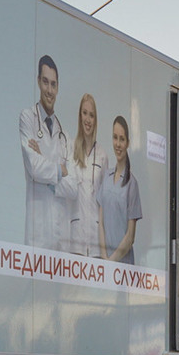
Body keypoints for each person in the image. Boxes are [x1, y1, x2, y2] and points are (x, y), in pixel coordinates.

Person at [19, 55, 75, 252]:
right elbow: (34, 168)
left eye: (53, 84)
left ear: (58, 87)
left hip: (60, 236)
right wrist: (61, 169)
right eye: (45, 82)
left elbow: (73, 188)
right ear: (38, 82)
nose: (49, 90)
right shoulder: (28, 118)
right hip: (37, 235)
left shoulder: (65, 136)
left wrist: (44, 162)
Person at [67, 94, 109, 258]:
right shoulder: (70, 149)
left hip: (96, 239)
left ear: (95, 119)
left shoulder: (102, 156)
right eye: (85, 113)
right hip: (75, 238)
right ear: (79, 116)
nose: (88, 119)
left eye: (91, 115)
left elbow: (105, 201)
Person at [100, 116, 143, 263]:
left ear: (128, 143)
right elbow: (101, 222)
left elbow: (130, 237)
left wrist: (111, 261)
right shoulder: (106, 177)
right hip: (106, 264)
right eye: (115, 138)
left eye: (122, 139)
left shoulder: (132, 184)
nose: (117, 144)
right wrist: (104, 257)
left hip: (124, 266)